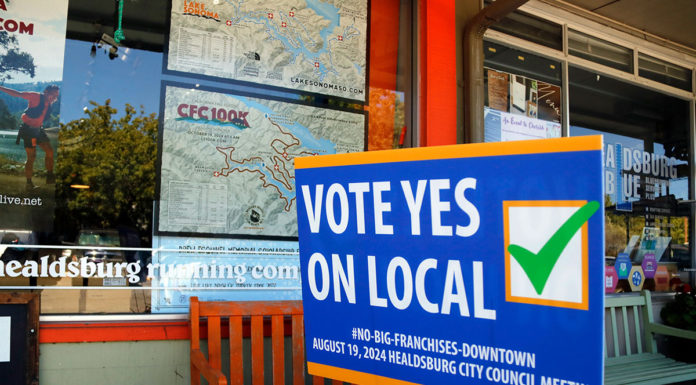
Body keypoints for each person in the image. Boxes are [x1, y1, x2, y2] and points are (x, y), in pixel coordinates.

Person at [0, 84, 59, 190]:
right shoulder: (35, 96)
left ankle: (50, 176)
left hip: (38, 130)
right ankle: (28, 184)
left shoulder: (49, 104)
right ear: (46, 92)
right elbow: (17, 94)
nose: (55, 98)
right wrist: (1, 87)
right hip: (28, 130)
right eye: (53, 95)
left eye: (56, 96)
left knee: (49, 151)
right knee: (32, 157)